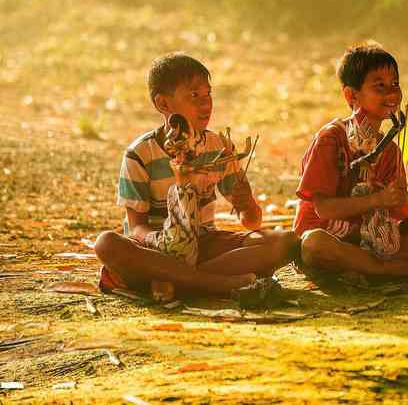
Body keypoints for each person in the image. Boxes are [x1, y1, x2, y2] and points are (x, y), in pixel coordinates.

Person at [94, 53, 299, 298]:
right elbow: (136, 227)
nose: (206, 104)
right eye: (194, 96)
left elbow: (251, 222)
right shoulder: (139, 154)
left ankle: (174, 282)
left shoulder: (217, 147)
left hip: (204, 243)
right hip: (155, 250)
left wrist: (247, 203)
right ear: (163, 104)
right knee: (107, 243)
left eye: (208, 94)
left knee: (284, 242)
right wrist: (167, 241)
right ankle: (216, 284)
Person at [294, 44, 408, 277]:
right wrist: (377, 199)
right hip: (331, 238)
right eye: (379, 86)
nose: (391, 93)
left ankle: (369, 266)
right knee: (314, 244)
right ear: (351, 95)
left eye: (395, 84)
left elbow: (393, 219)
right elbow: (324, 210)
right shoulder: (331, 139)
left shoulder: (390, 150)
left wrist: (398, 214)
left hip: (369, 242)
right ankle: (398, 269)